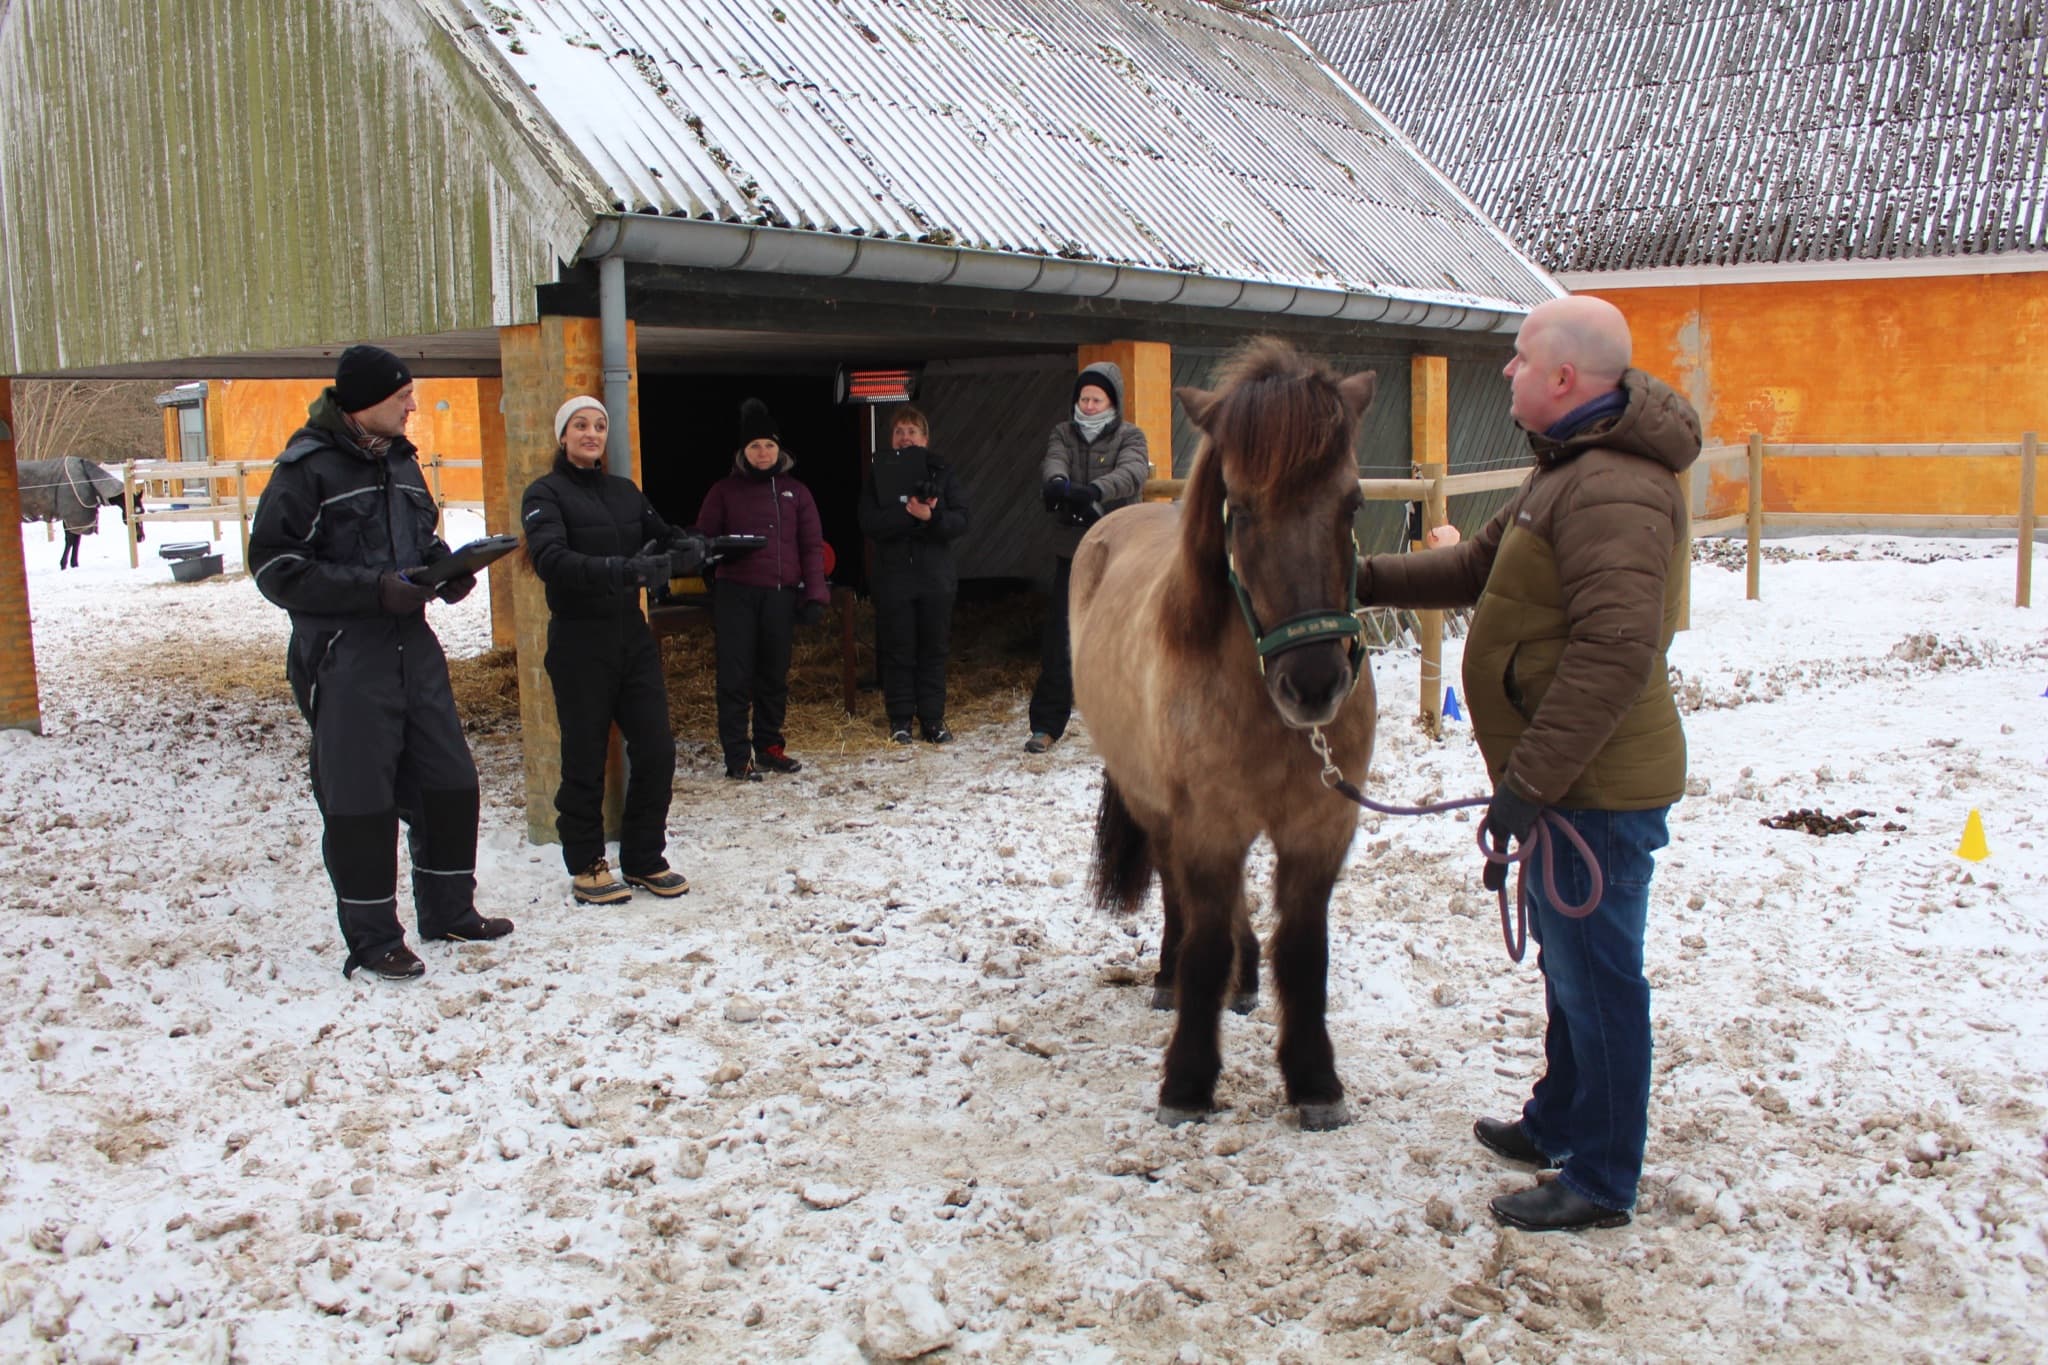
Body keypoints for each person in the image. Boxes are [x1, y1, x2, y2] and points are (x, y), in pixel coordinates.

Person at [1358, 295, 1696, 1231]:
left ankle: (1600, 1176)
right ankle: (1559, 1118)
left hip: (1593, 786)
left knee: (1599, 977)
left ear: (1562, 377)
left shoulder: (1613, 488)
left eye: (1517, 358)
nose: (1504, 372)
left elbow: (1613, 654)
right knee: (1570, 964)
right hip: (1566, 782)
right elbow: (1474, 568)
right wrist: (1356, 580)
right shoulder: (1568, 473)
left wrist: (1528, 785)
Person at [248, 345, 513, 981]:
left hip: (413, 648)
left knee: (449, 782)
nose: (413, 405)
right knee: (359, 800)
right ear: (367, 401)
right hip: (344, 654)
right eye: (403, 397)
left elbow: (419, 541)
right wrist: (374, 590)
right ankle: (372, 940)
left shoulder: (401, 460)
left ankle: (449, 910)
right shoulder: (306, 470)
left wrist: (447, 569)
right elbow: (276, 568)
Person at [521, 395, 711, 905]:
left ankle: (645, 858)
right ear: (562, 437)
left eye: (599, 425)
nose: (591, 433)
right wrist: (620, 571)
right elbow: (550, 559)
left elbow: (663, 534)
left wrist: (691, 547)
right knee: (584, 755)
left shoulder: (625, 492)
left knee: (657, 748)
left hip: (632, 636)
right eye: (580, 425)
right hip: (580, 639)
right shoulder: (545, 494)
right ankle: (586, 864)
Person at [694, 397, 829, 780]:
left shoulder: (796, 492)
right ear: (743, 452)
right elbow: (703, 540)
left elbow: (812, 546)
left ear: (779, 450)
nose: (763, 452)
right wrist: (716, 561)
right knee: (735, 677)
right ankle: (738, 757)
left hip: (779, 596)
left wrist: (815, 594)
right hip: (736, 594)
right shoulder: (723, 491)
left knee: (773, 676)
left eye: (769, 445)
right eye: (755, 446)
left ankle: (770, 746)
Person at [1025, 361, 1151, 753]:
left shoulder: (1131, 435)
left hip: (1119, 552)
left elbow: (1132, 473)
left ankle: (1126, 726)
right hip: (1073, 552)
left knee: (1120, 638)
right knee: (1061, 639)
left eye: (1097, 398)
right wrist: (1058, 483)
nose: (1090, 404)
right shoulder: (1063, 432)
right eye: (1084, 398)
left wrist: (1095, 491)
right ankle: (1045, 726)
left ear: (1112, 401)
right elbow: (1054, 461)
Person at [857, 404, 970, 745]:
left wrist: (931, 518)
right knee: (898, 649)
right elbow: (868, 522)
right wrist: (909, 515)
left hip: (934, 577)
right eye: (899, 432)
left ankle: (933, 719)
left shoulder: (943, 473)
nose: (905, 437)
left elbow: (961, 520)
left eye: (912, 431)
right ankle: (901, 719)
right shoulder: (878, 475)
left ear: (924, 438)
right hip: (893, 577)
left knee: (933, 649)